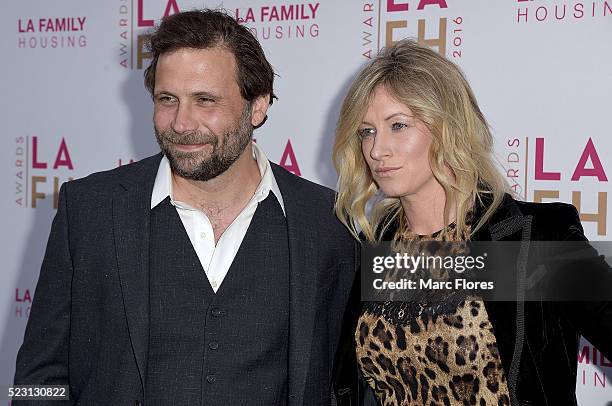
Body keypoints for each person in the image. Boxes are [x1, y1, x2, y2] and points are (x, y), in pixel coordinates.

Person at [14, 9, 357, 405]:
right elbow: (36, 378)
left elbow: (350, 382)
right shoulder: (89, 211)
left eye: (204, 100)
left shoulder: (327, 221)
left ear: (258, 105)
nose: (180, 123)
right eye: (167, 100)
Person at [331, 39, 612, 405]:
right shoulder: (371, 247)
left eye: (398, 125)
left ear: (448, 127)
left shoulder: (535, 237)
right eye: (367, 131)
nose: (376, 150)